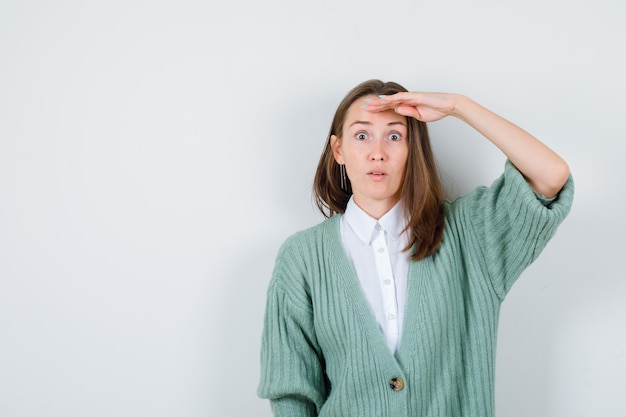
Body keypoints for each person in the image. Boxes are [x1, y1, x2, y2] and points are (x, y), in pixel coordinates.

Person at [257, 79, 573, 417]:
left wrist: (458, 105)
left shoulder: (470, 234)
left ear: (413, 150)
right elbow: (292, 395)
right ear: (339, 151)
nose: (377, 152)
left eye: (395, 136)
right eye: (362, 136)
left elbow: (551, 176)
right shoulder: (302, 258)